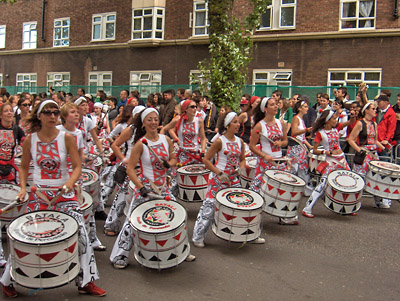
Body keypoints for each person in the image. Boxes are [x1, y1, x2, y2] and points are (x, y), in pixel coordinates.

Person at [1, 100, 106, 297]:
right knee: (25, 239)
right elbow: (24, 167)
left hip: (64, 195)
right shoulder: (29, 140)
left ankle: (86, 281)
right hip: (39, 195)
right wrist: (23, 188)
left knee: (82, 237)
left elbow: (76, 167)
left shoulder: (66, 138)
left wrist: (68, 184)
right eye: (47, 112)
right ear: (39, 116)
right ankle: (7, 281)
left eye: (55, 113)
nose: (52, 116)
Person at [109, 108, 195, 268]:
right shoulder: (140, 145)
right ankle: (119, 256)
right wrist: (141, 187)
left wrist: (168, 163)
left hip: (163, 188)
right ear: (143, 123)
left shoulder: (166, 140)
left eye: (156, 119)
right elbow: (130, 169)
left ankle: (182, 250)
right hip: (145, 188)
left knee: (177, 217)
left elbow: (174, 158)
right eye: (149, 119)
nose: (153, 122)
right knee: (132, 222)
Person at [192, 112, 264, 247]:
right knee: (209, 207)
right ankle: (198, 236)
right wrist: (218, 173)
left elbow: (242, 159)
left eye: (238, 122)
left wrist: (241, 169)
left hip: (233, 179)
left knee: (243, 206)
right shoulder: (219, 141)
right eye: (235, 122)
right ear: (227, 124)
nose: (238, 125)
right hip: (218, 179)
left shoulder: (240, 141)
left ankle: (250, 235)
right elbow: (206, 160)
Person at [249, 97, 298, 225]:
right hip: (265, 162)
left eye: (276, 104)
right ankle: (251, 216)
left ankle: (283, 216)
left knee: (281, 189)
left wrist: (280, 143)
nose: (276, 106)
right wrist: (264, 156)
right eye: (272, 105)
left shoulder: (281, 123)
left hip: (278, 161)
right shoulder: (260, 125)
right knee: (258, 189)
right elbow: (252, 146)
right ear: (265, 109)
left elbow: (286, 141)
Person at [302, 110, 356, 218]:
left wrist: (353, 115)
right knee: (323, 184)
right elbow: (315, 149)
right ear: (328, 120)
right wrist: (324, 152)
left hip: (341, 159)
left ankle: (348, 207)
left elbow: (351, 122)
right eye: (333, 119)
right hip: (331, 162)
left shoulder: (337, 127)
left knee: (350, 182)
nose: (335, 121)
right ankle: (307, 208)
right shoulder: (320, 133)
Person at [104, 106, 145, 236]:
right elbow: (115, 145)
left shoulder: (150, 130)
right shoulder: (130, 130)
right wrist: (123, 159)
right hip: (130, 169)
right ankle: (111, 225)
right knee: (121, 198)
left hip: (145, 170)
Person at [347, 102, 390, 209]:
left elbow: (374, 140)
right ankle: (354, 201)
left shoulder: (374, 124)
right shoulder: (360, 123)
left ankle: (378, 201)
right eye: (373, 109)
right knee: (360, 178)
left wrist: (384, 148)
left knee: (376, 177)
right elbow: (350, 139)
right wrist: (359, 150)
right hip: (364, 154)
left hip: (373, 154)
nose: (375, 110)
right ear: (367, 110)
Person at [0, 102, 25, 269]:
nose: (9, 113)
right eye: (6, 111)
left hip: (11, 170)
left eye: (11, 111)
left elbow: (26, 143)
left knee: (13, 205)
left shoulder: (17, 129)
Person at [287, 100, 313, 196]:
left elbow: (301, 137)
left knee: (302, 169)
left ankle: (306, 190)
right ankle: (290, 188)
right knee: (294, 168)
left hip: (301, 147)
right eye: (305, 107)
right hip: (295, 148)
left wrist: (310, 146)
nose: (307, 108)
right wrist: (306, 130)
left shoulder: (301, 119)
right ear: (299, 109)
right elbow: (294, 133)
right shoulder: (296, 119)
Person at [375, 94, 397, 159]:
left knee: (384, 161)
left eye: (379, 101)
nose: (377, 103)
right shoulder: (377, 111)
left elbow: (391, 129)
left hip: (384, 143)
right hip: (377, 141)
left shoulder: (391, 113)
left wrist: (386, 139)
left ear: (385, 102)